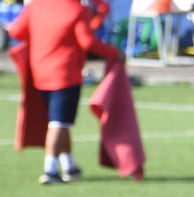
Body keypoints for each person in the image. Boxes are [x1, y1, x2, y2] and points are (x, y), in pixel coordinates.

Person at [6, 0, 125, 184]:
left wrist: (43, 37)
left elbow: (16, 31)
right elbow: (87, 42)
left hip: (39, 73)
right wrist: (114, 52)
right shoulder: (76, 9)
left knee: (60, 122)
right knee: (59, 123)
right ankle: (50, 170)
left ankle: (69, 165)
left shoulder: (36, 6)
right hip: (65, 74)